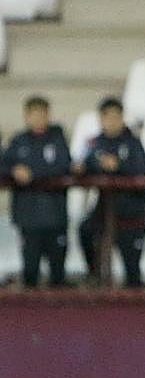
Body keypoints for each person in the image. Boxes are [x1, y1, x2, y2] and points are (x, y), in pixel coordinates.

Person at [79, 97, 145, 288]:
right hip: (103, 213)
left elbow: (143, 171)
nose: (112, 121)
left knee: (133, 274)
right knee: (85, 230)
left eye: (116, 117)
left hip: (131, 214)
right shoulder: (95, 144)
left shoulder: (133, 143)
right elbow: (82, 165)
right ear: (101, 119)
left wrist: (119, 165)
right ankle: (93, 274)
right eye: (107, 117)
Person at [1, 96, 71, 288]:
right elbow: (4, 164)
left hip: (55, 216)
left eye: (43, 114)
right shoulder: (18, 142)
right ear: (26, 117)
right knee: (30, 272)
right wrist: (14, 171)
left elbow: (64, 165)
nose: (39, 119)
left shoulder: (58, 140)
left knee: (58, 274)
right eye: (34, 115)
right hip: (28, 218)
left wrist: (32, 173)